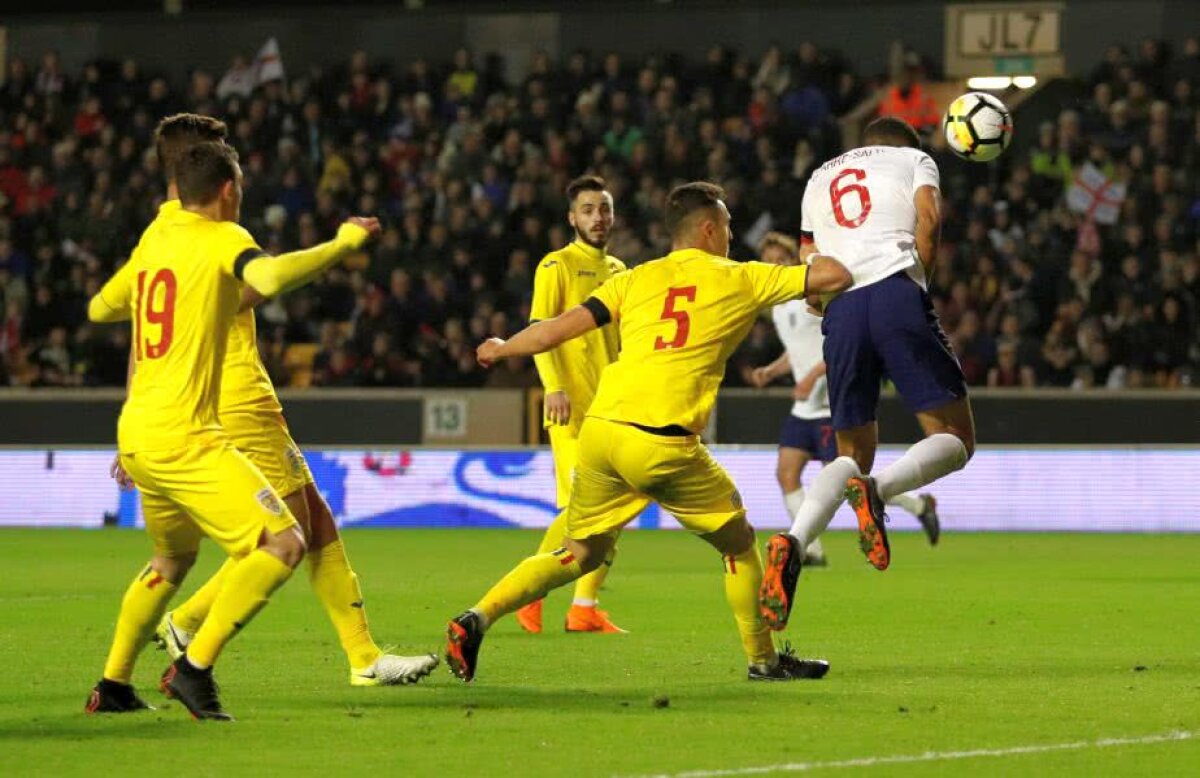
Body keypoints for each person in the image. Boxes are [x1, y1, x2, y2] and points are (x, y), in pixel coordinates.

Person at [444, 182, 852, 683]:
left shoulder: (634, 278)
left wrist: (503, 347)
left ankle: (476, 617)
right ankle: (763, 661)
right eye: (727, 227)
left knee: (577, 553)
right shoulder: (741, 275)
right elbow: (836, 275)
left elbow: (557, 328)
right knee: (740, 544)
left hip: (601, 433)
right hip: (662, 441)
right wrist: (813, 253)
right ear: (709, 229)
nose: (731, 236)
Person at [123, 115, 436, 687]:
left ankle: (352, 653)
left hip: (217, 393)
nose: (232, 165)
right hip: (234, 392)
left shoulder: (160, 237)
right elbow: (243, 290)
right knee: (294, 529)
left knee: (308, 519)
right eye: (219, 153)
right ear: (194, 164)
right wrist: (328, 252)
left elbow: (143, 339)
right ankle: (202, 628)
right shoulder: (205, 236)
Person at [85, 140, 380, 720]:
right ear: (228, 190)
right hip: (185, 437)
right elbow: (269, 276)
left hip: (137, 434)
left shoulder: (155, 240)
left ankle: (113, 684)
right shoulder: (222, 237)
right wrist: (343, 243)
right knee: (284, 542)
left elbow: (100, 308)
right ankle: (193, 667)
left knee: (171, 560)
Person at [758, 117, 975, 633]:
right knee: (955, 436)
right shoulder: (914, 159)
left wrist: (822, 303)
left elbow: (809, 256)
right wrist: (920, 283)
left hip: (842, 309)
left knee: (849, 453)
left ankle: (795, 541)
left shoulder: (820, 176)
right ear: (903, 144)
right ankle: (879, 490)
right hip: (895, 289)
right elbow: (929, 219)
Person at [748, 231, 940, 568]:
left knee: (849, 483)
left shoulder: (814, 297)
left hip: (828, 402)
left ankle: (918, 505)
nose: (775, 264)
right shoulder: (778, 306)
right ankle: (812, 549)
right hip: (804, 408)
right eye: (769, 260)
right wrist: (772, 370)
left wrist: (811, 377)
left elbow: (840, 344)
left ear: (794, 259)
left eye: (780, 259)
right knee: (786, 474)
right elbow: (798, 351)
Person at [517, 174, 644, 635]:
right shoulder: (557, 265)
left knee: (618, 506)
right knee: (579, 509)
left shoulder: (620, 270)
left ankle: (584, 607)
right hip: (569, 409)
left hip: (612, 408)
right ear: (572, 218)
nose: (598, 217)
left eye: (604, 209)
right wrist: (553, 386)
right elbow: (539, 330)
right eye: (588, 210)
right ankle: (529, 592)